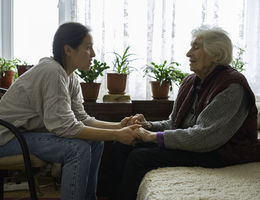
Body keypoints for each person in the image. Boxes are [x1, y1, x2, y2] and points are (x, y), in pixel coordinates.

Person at [109, 26, 260, 200]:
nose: (188, 53)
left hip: (221, 151)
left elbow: (205, 137)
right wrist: (147, 126)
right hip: (198, 144)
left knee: (139, 157)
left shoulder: (232, 86)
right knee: (122, 144)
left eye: (196, 47)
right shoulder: (190, 81)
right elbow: (174, 123)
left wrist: (152, 136)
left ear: (216, 55)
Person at [0, 22, 142, 200]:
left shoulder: (70, 76)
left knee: (95, 142)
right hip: (6, 138)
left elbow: (81, 119)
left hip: (23, 134)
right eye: (88, 48)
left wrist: (118, 126)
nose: (94, 54)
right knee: (77, 148)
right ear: (68, 50)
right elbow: (66, 128)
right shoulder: (52, 73)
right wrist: (117, 135)